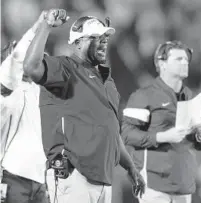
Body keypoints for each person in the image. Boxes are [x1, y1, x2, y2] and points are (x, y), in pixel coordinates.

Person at [23, 9, 145, 203]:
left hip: (104, 180)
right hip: (73, 176)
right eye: (95, 37)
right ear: (77, 42)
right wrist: (46, 26)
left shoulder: (108, 83)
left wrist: (130, 167)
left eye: (105, 37)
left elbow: (111, 130)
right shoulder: (65, 68)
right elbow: (31, 67)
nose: (103, 41)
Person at [121, 41, 201, 203]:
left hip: (183, 182)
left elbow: (198, 144)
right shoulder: (143, 96)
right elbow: (127, 134)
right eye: (178, 59)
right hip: (154, 184)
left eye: (185, 59)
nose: (184, 62)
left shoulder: (189, 96)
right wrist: (163, 137)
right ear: (162, 64)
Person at [0, 12, 50, 203]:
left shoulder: (40, 91)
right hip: (11, 176)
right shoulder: (6, 92)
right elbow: (16, 60)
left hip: (40, 179)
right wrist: (38, 27)